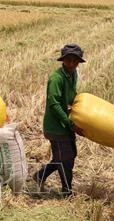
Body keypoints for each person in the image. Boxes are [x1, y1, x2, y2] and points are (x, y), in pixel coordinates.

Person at [32, 43, 85, 196]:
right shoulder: (56, 78)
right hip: (56, 126)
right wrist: (69, 122)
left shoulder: (73, 75)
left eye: (75, 61)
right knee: (66, 160)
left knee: (67, 156)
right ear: (63, 60)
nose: (72, 64)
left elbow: (70, 95)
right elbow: (54, 104)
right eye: (69, 60)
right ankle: (67, 192)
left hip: (66, 124)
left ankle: (40, 176)